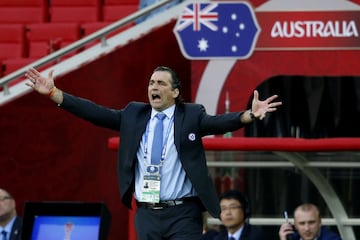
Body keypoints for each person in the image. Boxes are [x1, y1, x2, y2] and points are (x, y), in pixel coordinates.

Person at [25, 66, 282, 240]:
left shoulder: (191, 115)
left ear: (175, 92)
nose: (153, 87)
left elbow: (219, 122)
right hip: (147, 212)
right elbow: (96, 112)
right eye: (151, 83)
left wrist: (249, 114)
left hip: (183, 213)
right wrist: (54, 94)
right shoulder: (134, 114)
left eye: (160, 83)